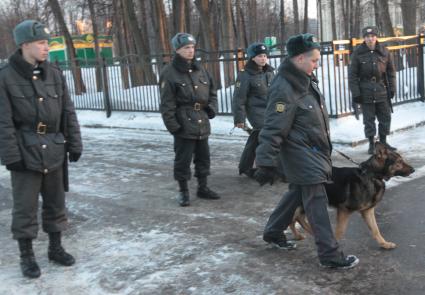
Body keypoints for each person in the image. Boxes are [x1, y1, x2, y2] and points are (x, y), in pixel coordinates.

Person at [254, 33, 359, 269]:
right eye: (314, 60)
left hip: (312, 151)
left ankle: (272, 231)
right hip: (300, 154)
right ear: (299, 58)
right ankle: (330, 255)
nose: (317, 65)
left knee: (296, 194)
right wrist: (265, 161)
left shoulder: (304, 79)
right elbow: (273, 127)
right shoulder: (284, 87)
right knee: (316, 202)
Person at [0, 20, 83, 278]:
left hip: (55, 149)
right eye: (41, 43)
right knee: (25, 208)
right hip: (25, 152)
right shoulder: (5, 77)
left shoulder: (55, 74)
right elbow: (3, 121)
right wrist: (11, 156)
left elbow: (68, 111)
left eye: (48, 42)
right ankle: (27, 256)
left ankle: (55, 249)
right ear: (25, 45)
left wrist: (75, 142)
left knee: (56, 203)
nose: (47, 47)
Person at [160, 32, 220, 207]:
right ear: (177, 50)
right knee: (183, 160)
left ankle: (203, 187)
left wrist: (211, 109)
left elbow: (212, 92)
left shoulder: (200, 69)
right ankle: (183, 191)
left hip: (201, 120)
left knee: (204, 157)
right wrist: (174, 127)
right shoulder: (169, 72)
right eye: (186, 48)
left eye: (192, 47)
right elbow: (166, 104)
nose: (190, 51)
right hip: (183, 123)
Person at [348, 26, 397, 154]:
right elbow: (352, 75)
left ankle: (383, 142)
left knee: (385, 117)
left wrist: (392, 88)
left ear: (376, 37)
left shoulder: (384, 52)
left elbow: (391, 72)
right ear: (364, 38)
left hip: (382, 90)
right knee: (369, 120)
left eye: (372, 36)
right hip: (365, 91)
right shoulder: (358, 53)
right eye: (367, 36)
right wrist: (356, 93)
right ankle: (371, 144)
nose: (370, 39)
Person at [232, 42, 275, 178]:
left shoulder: (269, 72)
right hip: (256, 112)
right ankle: (265, 169)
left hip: (270, 112)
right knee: (267, 138)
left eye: (265, 56)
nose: (263, 58)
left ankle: (245, 167)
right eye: (260, 56)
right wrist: (239, 118)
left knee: (256, 137)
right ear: (252, 58)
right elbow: (239, 98)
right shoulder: (245, 75)